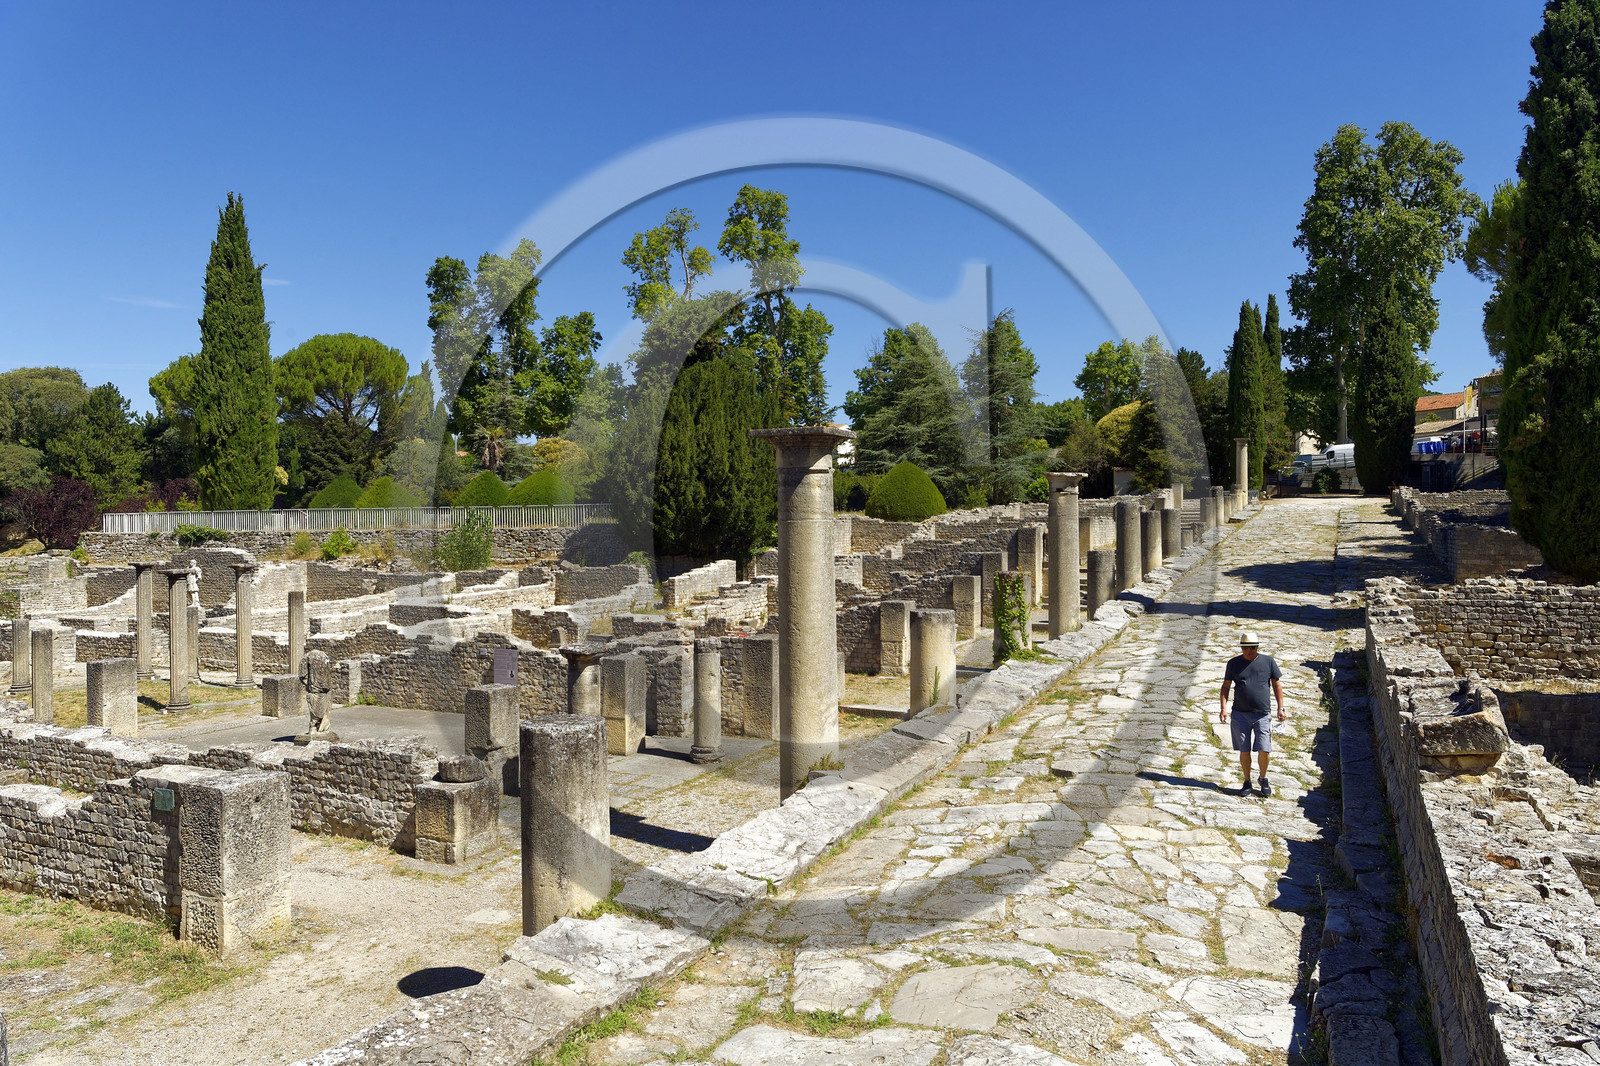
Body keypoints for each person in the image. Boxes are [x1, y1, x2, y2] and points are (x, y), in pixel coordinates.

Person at [1219, 631, 1286, 796]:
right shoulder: (1233, 663)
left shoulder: (1268, 662)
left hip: (1262, 713)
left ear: (1258, 647)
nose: (1250, 651)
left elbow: (1276, 685)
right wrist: (1223, 708)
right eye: (1246, 648)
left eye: (1253, 647)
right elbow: (1226, 686)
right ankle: (1247, 781)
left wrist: (1281, 707)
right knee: (1244, 749)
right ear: (1241, 648)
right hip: (1240, 714)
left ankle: (1263, 778)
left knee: (1264, 748)